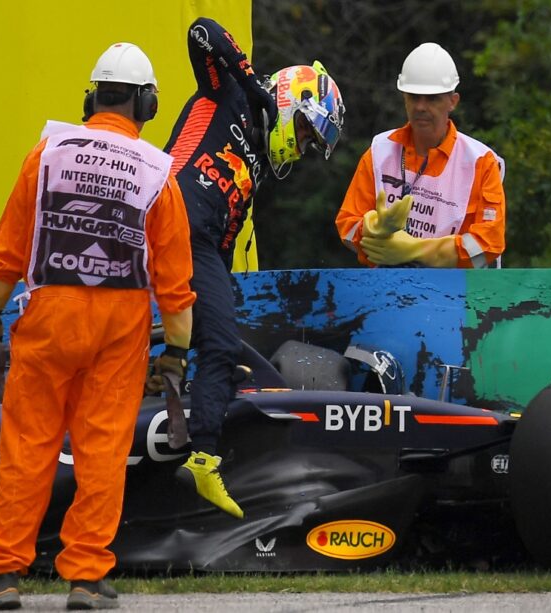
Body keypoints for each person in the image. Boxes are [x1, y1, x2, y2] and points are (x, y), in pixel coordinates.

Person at [0, 42, 195, 610]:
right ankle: (86, 579)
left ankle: (1, 577)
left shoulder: (46, 153)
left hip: (49, 319)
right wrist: (176, 356)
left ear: (92, 96)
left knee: (27, 448)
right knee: (103, 453)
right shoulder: (159, 174)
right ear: (148, 104)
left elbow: (8, 250)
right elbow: (176, 283)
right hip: (120, 328)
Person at [158, 17, 345, 520]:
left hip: (190, 244)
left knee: (221, 341)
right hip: (167, 216)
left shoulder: (258, 165)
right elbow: (199, 29)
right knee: (219, 343)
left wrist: (218, 306)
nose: (303, 146)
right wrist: (248, 82)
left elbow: (223, 242)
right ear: (290, 101)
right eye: (307, 131)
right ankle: (204, 458)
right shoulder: (228, 95)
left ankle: (187, 433)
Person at [335, 42, 505, 269]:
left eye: (432, 98)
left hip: (453, 298)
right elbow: (347, 226)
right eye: (414, 97)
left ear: (453, 102)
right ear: (404, 98)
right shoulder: (380, 152)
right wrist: (374, 228)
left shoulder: (480, 162)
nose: (421, 106)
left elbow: (488, 244)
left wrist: (416, 250)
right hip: (386, 295)